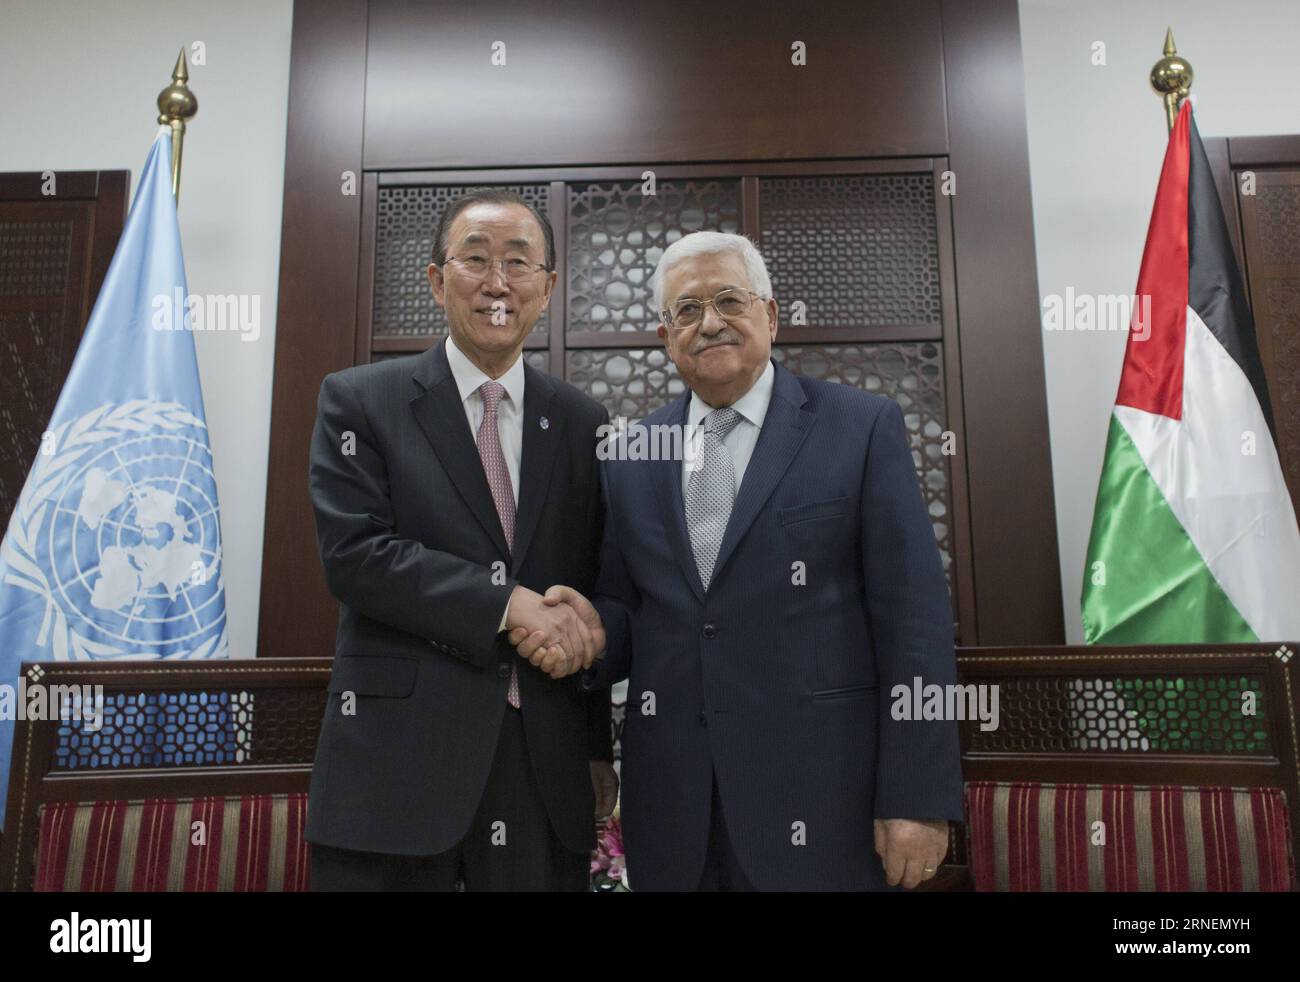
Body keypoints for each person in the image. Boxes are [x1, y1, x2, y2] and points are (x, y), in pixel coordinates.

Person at [513, 231, 962, 891]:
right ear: (666, 337)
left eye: (729, 300)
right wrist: (591, 631)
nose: (710, 322)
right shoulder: (631, 455)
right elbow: (629, 611)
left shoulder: (859, 428)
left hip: (825, 801)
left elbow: (914, 622)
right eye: (686, 311)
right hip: (675, 807)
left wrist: (917, 796)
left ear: (770, 316)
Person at [306, 189, 614, 891]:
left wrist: (595, 746)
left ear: (549, 288)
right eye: (475, 260)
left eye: (518, 263)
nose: (497, 282)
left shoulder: (582, 420)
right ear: (439, 281)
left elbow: (585, 590)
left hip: (541, 772)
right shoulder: (360, 401)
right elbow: (356, 558)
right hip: (398, 769)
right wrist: (508, 605)